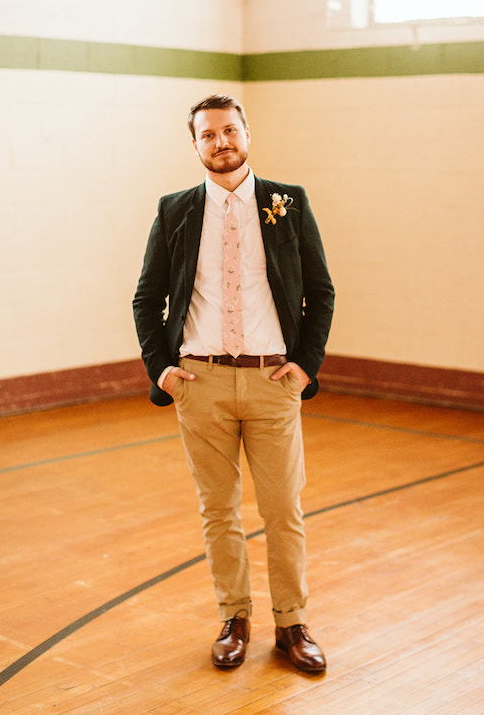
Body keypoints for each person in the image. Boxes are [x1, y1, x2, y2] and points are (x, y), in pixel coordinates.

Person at [133, 93, 335, 673]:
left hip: (273, 382)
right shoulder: (174, 210)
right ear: (195, 144)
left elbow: (319, 291)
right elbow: (148, 298)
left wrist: (304, 365)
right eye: (208, 135)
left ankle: (292, 626)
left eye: (229, 131)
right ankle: (234, 618)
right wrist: (162, 371)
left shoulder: (286, 203)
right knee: (218, 510)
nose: (220, 142)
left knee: (282, 510)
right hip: (201, 383)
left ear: (247, 133)